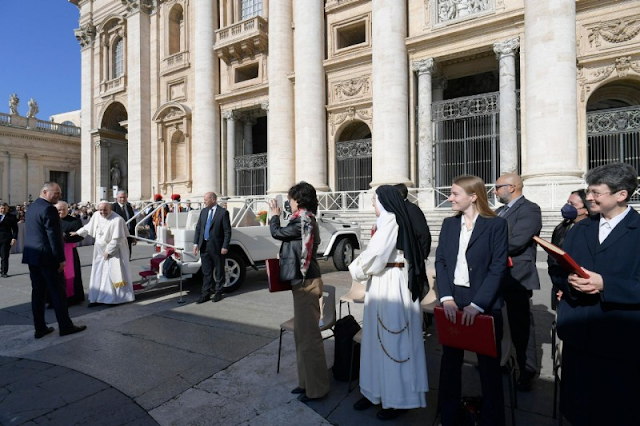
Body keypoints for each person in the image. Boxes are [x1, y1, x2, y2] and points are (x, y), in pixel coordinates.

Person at [553, 162, 640, 425]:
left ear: (621, 195)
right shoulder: (580, 228)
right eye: (589, 191)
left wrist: (606, 285)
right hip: (578, 336)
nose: (588, 197)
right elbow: (557, 270)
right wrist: (568, 280)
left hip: (619, 341)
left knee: (615, 411)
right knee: (577, 410)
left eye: (596, 192)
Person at [349, 185, 428, 421]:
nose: (373, 204)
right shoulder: (388, 219)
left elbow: (375, 255)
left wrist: (355, 269)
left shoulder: (391, 219)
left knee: (394, 343)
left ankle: (398, 400)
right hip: (382, 281)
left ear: (383, 201)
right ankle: (374, 392)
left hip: (391, 284)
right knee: (376, 340)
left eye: (374, 200)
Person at [436, 175, 508, 425]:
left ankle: (492, 419)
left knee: (489, 366)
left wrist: (478, 305)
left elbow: (498, 268)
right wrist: (445, 298)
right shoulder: (448, 224)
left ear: (473, 196)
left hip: (483, 301)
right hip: (452, 299)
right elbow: (441, 262)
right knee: (450, 362)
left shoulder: (496, 225)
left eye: (455, 193)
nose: (450, 198)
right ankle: (449, 415)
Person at [269, 182, 330, 403]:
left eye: (290, 198)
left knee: (309, 339)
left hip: (307, 284)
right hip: (302, 283)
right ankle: (306, 384)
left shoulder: (303, 220)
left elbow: (277, 232)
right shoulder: (303, 219)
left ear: (298, 199)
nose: (288, 202)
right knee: (301, 337)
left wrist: (274, 216)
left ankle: (317, 389)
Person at [493, 172, 542, 391]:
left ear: (512, 187)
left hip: (517, 277)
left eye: (498, 187)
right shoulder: (498, 211)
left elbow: (517, 241)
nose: (494, 191)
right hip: (496, 276)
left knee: (521, 326)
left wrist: (488, 250)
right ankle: (500, 362)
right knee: (496, 324)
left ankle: (527, 369)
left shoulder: (529, 209)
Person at [22, 182, 86, 338]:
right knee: (58, 293)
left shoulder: (32, 207)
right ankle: (65, 326)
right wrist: (61, 259)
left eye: (60, 192)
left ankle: (40, 328)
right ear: (44, 191)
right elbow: (54, 237)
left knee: (37, 293)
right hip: (48, 258)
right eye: (56, 193)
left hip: (33, 256)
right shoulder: (49, 209)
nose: (59, 196)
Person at [72, 201, 134, 307]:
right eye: (100, 210)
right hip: (99, 250)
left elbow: (117, 239)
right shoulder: (96, 215)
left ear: (110, 209)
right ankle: (96, 298)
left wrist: (108, 251)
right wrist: (77, 232)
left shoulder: (117, 220)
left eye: (105, 210)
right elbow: (88, 227)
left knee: (111, 274)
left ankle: (112, 299)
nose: (102, 212)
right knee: (98, 272)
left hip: (114, 251)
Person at [547, 189, 591, 309]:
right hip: (559, 283)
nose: (567, 207)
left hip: (578, 290)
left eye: (573, 205)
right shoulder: (561, 227)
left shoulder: (591, 230)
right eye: (568, 202)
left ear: (586, 210)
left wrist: (569, 288)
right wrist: (560, 284)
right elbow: (552, 259)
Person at [193, 192, 231, 304]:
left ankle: (219, 292)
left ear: (213, 200)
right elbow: (199, 228)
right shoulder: (204, 212)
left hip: (217, 246)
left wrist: (225, 246)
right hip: (204, 245)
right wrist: (196, 244)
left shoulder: (223, 213)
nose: (204, 201)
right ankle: (206, 293)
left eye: (206, 199)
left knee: (219, 270)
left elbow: (227, 231)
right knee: (206, 271)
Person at [55, 201, 85, 306]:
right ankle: (52, 299)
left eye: (64, 209)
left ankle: (71, 298)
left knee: (70, 275)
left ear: (68, 210)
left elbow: (81, 235)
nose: (61, 211)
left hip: (69, 252)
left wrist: (65, 236)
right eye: (59, 209)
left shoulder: (74, 221)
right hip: (53, 252)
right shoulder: (51, 220)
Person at [394, 183, 432, 260]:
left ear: (400, 195)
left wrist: (422, 256)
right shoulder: (396, 210)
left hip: (413, 257)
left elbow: (423, 234)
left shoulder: (412, 209)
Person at [112, 190, 137, 259]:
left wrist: (133, 236)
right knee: (118, 257)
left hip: (128, 235)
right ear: (117, 198)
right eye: (120, 197)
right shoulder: (113, 207)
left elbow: (133, 221)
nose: (122, 199)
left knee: (127, 256)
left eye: (124, 197)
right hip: (118, 235)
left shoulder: (129, 207)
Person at [0, 203, 18, 277]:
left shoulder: (11, 217)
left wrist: (14, 238)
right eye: (1, 208)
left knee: (4, 255)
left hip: (6, 239)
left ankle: (4, 271)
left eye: (5, 208)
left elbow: (15, 229)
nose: (3, 210)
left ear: (7, 209)